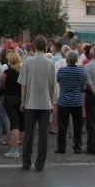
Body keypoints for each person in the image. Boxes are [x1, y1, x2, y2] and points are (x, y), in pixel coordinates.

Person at [18, 35, 56, 171]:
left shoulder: (27, 62)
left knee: (28, 133)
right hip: (45, 103)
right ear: (45, 46)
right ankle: (40, 163)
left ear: (33, 46)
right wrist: (51, 103)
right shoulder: (50, 63)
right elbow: (52, 86)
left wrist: (23, 101)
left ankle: (26, 161)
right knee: (43, 134)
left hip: (30, 103)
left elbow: (24, 85)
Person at [55, 51, 84, 154]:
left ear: (67, 60)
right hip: (77, 101)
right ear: (76, 60)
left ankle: (61, 147)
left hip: (63, 101)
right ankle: (77, 147)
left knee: (62, 125)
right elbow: (82, 85)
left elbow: (59, 81)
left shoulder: (61, 71)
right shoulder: (81, 72)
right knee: (77, 126)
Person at [0, 50, 23, 158]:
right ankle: (22, 147)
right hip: (21, 98)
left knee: (14, 124)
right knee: (23, 124)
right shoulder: (22, 71)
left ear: (10, 61)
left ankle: (14, 149)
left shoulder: (7, 72)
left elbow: (2, 84)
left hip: (9, 99)